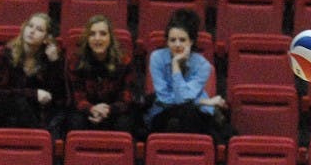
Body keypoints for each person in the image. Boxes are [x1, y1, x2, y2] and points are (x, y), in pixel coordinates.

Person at [144, 8, 229, 141]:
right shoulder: (157, 58)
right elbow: (164, 98)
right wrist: (205, 101)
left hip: (194, 115)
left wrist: (175, 66)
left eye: (182, 40)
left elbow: (182, 99)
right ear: (167, 42)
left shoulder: (203, 66)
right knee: (179, 116)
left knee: (188, 114)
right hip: (163, 113)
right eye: (172, 40)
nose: (177, 45)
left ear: (191, 42)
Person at [0, 12, 67, 133]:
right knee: (20, 103)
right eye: (30, 26)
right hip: (7, 115)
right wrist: (33, 94)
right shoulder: (5, 56)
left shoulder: (49, 60)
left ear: (46, 38)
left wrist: (55, 63)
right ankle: (40, 136)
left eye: (39, 29)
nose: (32, 31)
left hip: (36, 115)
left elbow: (60, 98)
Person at [66, 14, 139, 135]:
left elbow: (126, 99)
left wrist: (108, 110)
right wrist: (92, 109)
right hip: (87, 111)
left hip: (114, 111)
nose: (97, 38)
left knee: (125, 123)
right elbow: (78, 98)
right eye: (92, 34)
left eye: (103, 34)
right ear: (87, 39)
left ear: (110, 38)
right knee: (75, 121)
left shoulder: (124, 61)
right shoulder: (75, 62)